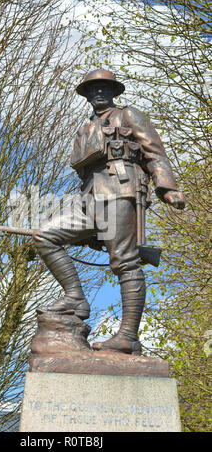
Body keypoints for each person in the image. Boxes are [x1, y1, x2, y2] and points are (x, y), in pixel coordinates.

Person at [32, 69, 185, 355]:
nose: (98, 92)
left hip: (121, 189)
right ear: (86, 95)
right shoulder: (85, 129)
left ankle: (128, 336)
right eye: (92, 89)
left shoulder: (129, 116)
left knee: (125, 262)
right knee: (45, 236)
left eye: (104, 87)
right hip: (90, 197)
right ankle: (75, 298)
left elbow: (155, 153)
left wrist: (167, 188)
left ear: (114, 91)